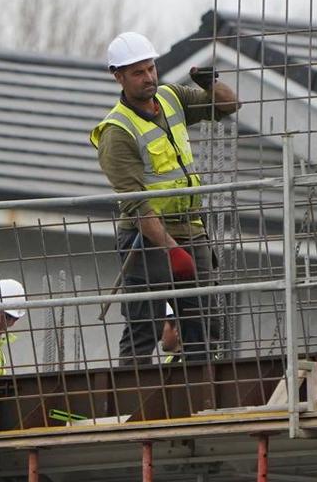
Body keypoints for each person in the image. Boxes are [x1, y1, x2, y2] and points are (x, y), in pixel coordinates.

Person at [90, 31, 239, 365]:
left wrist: (209, 81)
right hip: (146, 240)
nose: (148, 78)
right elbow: (136, 204)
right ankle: (134, 405)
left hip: (192, 228)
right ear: (119, 77)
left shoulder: (172, 97)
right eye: (138, 72)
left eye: (151, 68)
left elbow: (228, 105)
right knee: (145, 328)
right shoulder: (116, 132)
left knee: (203, 323)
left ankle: (199, 400)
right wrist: (172, 250)